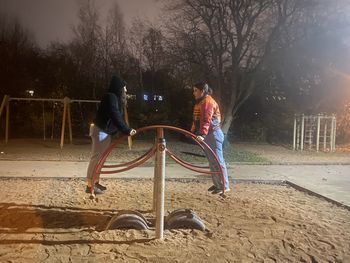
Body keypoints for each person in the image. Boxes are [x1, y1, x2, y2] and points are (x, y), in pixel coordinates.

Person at [86, 75, 137, 194]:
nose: (126, 90)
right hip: (100, 131)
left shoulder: (113, 98)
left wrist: (126, 129)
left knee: (100, 159)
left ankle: (95, 182)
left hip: (103, 131)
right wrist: (126, 130)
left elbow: (117, 116)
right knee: (96, 158)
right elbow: (115, 116)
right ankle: (90, 185)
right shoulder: (110, 97)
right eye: (124, 87)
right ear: (119, 87)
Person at [191, 82, 230, 194]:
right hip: (209, 135)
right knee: (212, 161)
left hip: (213, 134)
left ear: (202, 91)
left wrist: (202, 134)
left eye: (195, 90)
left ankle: (224, 185)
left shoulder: (208, 102)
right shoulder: (201, 102)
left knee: (218, 160)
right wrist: (192, 131)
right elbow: (196, 119)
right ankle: (218, 184)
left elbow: (206, 119)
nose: (193, 93)